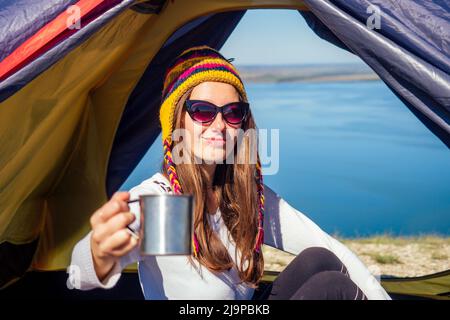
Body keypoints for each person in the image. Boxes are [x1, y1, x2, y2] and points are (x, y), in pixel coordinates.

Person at [68, 45, 391, 300]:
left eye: (233, 113)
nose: (220, 125)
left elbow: (331, 247)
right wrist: (98, 253)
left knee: (320, 260)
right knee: (331, 289)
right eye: (203, 112)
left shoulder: (245, 199)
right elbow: (79, 276)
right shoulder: (171, 206)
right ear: (177, 122)